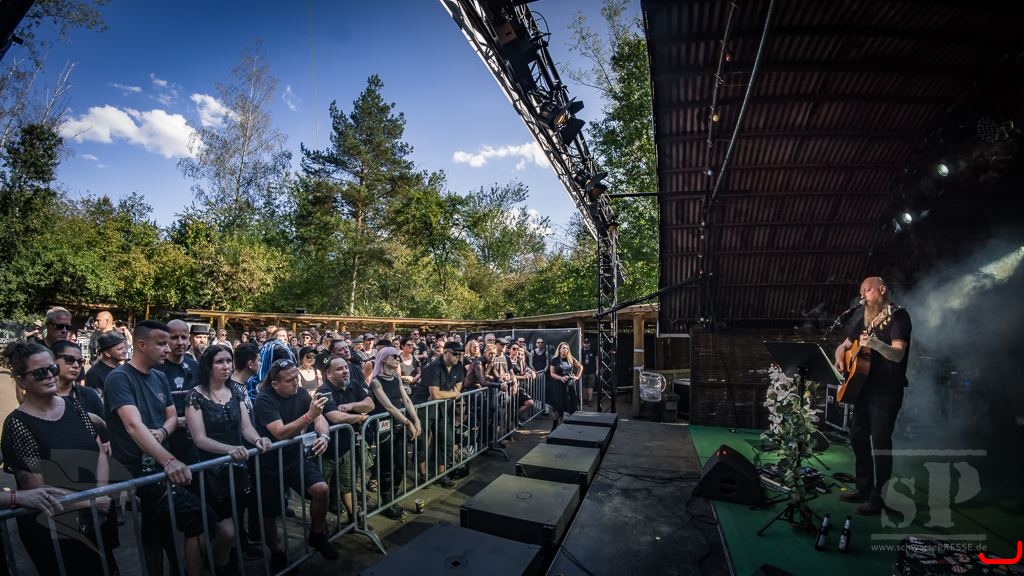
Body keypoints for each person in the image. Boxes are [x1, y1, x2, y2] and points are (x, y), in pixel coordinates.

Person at [104, 320, 221, 576]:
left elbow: (171, 416)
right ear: (141, 345)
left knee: (160, 529)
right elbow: (133, 425)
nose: (168, 349)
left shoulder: (158, 377)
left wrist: (164, 432)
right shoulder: (119, 378)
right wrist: (169, 460)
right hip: (141, 470)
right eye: (161, 344)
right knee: (195, 517)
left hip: (162, 465)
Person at [1, 342, 117, 576]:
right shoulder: (18, 424)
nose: (50, 376)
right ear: (22, 381)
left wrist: (101, 494)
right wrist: (91, 502)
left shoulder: (73, 405)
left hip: (97, 516)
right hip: (57, 529)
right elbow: (37, 489)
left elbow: (99, 452)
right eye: (39, 373)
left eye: (52, 368)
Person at [185, 345, 272, 574]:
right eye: (219, 361)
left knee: (234, 526)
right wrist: (230, 449)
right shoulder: (194, 395)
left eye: (228, 361)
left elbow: (246, 427)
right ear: (208, 366)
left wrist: (258, 440)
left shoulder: (235, 391)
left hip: (236, 470)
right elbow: (199, 439)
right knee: (226, 532)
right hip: (209, 473)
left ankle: (224, 567)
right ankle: (215, 565)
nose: (226, 366)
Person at [833, 276, 912, 516]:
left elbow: (898, 354)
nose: (863, 296)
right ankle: (863, 488)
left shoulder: (898, 317)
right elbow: (844, 346)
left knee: (880, 443)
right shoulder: (865, 320)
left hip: (886, 392)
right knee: (857, 436)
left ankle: (879, 498)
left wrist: (877, 344)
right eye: (861, 292)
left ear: (882, 289)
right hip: (863, 390)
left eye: (867, 290)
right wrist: (840, 357)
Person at [253, 359, 338, 567]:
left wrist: (324, 436)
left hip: (295, 457)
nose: (295, 383)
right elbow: (280, 432)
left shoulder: (300, 393)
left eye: (296, 378)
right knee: (270, 512)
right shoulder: (265, 399)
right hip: (269, 463)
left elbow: (319, 417)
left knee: (321, 489)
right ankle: (276, 552)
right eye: (290, 380)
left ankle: (317, 534)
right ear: (275, 384)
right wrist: (309, 416)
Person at [367, 347, 422, 520]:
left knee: (400, 464)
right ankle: (386, 502)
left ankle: (393, 497)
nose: (398, 358)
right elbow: (388, 406)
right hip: (384, 428)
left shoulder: (397, 378)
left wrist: (416, 419)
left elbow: (406, 400)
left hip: (399, 425)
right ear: (384, 359)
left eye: (399, 356)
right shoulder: (376, 382)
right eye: (394, 356)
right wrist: (408, 422)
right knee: (386, 467)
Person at [317, 357, 374, 521]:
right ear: (329, 374)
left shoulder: (353, 384)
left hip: (347, 446)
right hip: (326, 448)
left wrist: (351, 406)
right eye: (339, 369)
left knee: (347, 484)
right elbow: (335, 417)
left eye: (346, 367)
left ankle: (353, 517)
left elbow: (370, 404)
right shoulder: (324, 390)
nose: (345, 371)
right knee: (322, 489)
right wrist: (359, 417)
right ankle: (320, 525)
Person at [412, 341, 465, 488]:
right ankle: (423, 475)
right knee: (423, 442)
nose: (458, 356)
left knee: (446, 440)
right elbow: (435, 394)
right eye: (455, 354)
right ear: (446, 352)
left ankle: (441, 475)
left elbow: (458, 389)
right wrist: (452, 394)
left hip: (441, 408)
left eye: (460, 354)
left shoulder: (458, 366)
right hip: (423, 407)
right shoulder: (433, 367)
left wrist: (449, 394)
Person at [547, 342, 582, 430]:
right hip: (559, 387)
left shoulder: (570, 358)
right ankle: (554, 428)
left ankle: (569, 429)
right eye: (563, 348)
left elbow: (580, 367)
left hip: (570, 386)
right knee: (558, 408)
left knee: (571, 407)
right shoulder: (554, 360)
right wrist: (561, 378)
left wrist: (577, 377)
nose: (565, 350)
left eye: (567, 348)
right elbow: (552, 374)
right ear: (559, 349)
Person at [84, 331, 127, 397]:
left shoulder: (119, 367)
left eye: (124, 348)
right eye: (120, 349)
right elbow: (95, 400)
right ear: (107, 353)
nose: (125, 351)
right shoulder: (94, 374)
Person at [581, 339, 597, 406]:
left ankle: (590, 400)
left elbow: (597, 360)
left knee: (590, 386)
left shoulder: (593, 351)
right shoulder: (581, 351)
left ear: (589, 343)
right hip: (583, 372)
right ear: (583, 343)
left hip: (591, 371)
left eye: (587, 343)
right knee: (584, 386)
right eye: (585, 343)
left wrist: (597, 369)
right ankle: (584, 400)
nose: (586, 344)